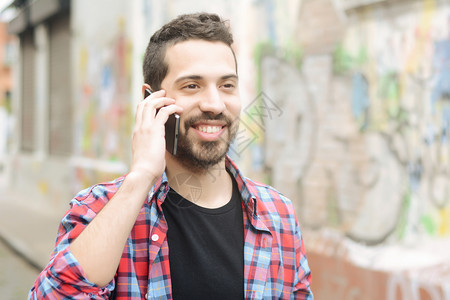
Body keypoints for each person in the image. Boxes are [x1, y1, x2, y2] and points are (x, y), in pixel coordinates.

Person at [29, 12, 313, 299]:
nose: (214, 104)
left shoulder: (278, 215)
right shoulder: (98, 209)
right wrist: (140, 178)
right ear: (151, 100)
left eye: (227, 85)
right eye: (192, 85)